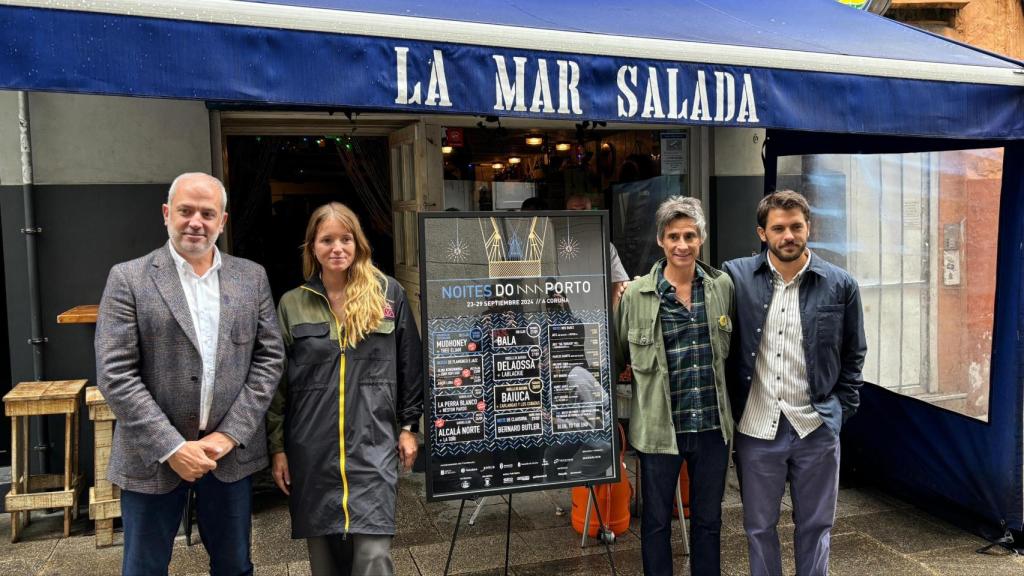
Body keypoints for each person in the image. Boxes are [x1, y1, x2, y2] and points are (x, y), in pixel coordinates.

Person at [95, 172, 285, 576]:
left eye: (207, 213)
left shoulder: (251, 277)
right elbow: (116, 374)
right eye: (185, 211)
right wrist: (173, 447)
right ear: (167, 214)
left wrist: (228, 435)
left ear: (222, 221)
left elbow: (269, 360)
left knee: (235, 566)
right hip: (153, 456)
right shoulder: (128, 278)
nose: (195, 221)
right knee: (144, 568)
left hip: (228, 458)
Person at [266, 202, 423, 576]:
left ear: (358, 244)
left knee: (373, 558)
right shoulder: (292, 304)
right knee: (324, 564)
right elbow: (276, 384)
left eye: (345, 239)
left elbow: (409, 363)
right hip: (311, 452)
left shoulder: (389, 295)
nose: (337, 247)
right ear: (312, 247)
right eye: (327, 240)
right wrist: (278, 447)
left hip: (373, 445)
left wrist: (408, 426)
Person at [723, 190, 867, 576]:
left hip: (815, 428)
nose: (789, 235)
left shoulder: (840, 284)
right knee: (758, 527)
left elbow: (854, 355)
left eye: (796, 227)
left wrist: (838, 412)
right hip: (757, 427)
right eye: (779, 228)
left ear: (809, 227)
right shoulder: (735, 277)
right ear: (762, 233)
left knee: (817, 527)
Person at [615, 196, 735, 576]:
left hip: (712, 429)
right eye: (673, 236)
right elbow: (620, 355)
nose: (682, 245)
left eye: (690, 235)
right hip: (658, 431)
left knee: (708, 521)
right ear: (660, 241)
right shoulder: (636, 295)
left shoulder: (721, 287)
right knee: (654, 523)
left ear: (701, 239)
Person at [565, 193, 628, 308]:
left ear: (592, 212)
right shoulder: (555, 245)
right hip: (565, 318)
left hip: (597, 317)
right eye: (573, 211)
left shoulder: (605, 246)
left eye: (583, 210)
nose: (579, 216)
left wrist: (610, 316)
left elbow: (618, 283)